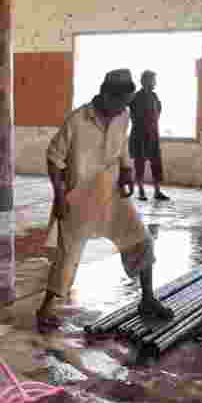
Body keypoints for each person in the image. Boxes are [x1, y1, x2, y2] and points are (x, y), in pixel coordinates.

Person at [36, 69, 173, 332]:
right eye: (120, 103)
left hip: (110, 192)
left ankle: (147, 299)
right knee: (68, 255)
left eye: (126, 104)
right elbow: (54, 158)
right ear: (105, 94)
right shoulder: (77, 120)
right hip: (78, 196)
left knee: (141, 239)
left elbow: (122, 146)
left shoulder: (123, 115)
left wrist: (126, 170)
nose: (123, 109)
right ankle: (45, 309)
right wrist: (59, 196)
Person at [128, 69, 170, 202]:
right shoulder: (135, 97)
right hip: (139, 134)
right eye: (152, 80)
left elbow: (158, 112)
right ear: (144, 81)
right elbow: (130, 114)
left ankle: (157, 191)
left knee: (156, 162)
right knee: (139, 162)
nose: (154, 83)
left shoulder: (155, 96)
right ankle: (140, 191)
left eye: (154, 80)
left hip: (153, 134)